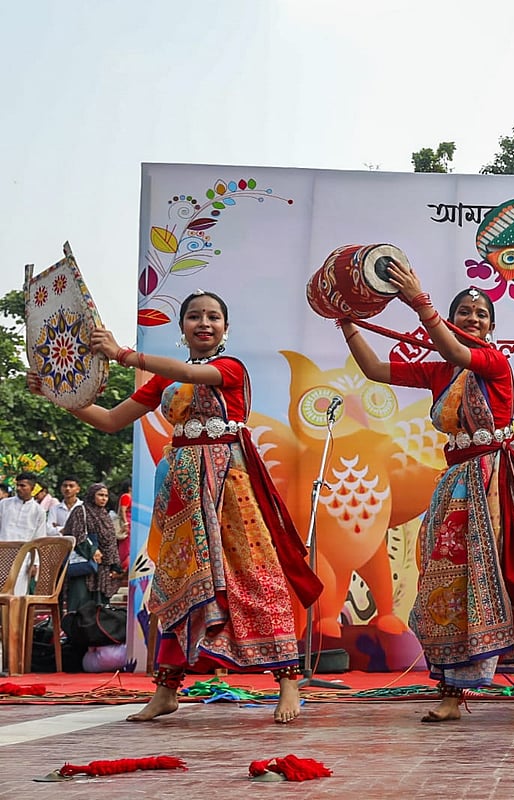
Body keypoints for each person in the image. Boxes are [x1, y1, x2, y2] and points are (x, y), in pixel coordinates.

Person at [28, 290, 321, 724]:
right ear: (181, 326)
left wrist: (126, 355)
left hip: (230, 488)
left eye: (214, 317)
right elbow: (111, 420)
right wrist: (57, 397)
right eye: (195, 317)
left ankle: (289, 682)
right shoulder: (165, 381)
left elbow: (189, 371)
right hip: (183, 493)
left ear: (225, 327)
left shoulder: (229, 368)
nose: (204, 323)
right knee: (178, 585)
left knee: (254, 576)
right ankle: (166, 690)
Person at [339, 268, 514, 724]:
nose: (474, 317)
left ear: (492, 326)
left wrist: (417, 301)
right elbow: (374, 369)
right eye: (466, 311)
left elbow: (453, 347)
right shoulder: (440, 369)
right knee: (452, 585)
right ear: (454, 315)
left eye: (482, 313)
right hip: (458, 485)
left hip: (501, 484)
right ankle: (450, 695)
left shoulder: (491, 361)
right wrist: (347, 326)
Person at [62, 483, 124, 611]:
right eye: (100, 495)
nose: (104, 499)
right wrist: (92, 551)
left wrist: (115, 565)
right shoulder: (81, 511)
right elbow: (77, 534)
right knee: (80, 603)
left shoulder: (104, 514)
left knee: (99, 608)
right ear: (91, 495)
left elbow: (111, 541)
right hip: (84, 564)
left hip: (102, 568)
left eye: (106, 496)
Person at [0, 471, 49, 594]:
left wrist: (35, 563)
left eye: (23, 486)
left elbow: (39, 538)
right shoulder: (4, 504)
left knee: (18, 595)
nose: (18, 488)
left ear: (32, 488)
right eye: (18, 485)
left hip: (24, 558)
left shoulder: (39, 511)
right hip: (2, 554)